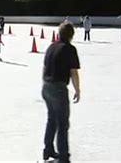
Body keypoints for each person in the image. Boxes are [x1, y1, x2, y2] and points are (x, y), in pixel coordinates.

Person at [41, 22, 81, 162]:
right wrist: (77, 90)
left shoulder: (51, 47)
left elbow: (44, 67)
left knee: (52, 120)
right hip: (58, 88)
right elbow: (73, 72)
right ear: (71, 35)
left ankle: (48, 150)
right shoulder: (70, 49)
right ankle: (63, 156)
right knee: (63, 123)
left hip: (46, 86)